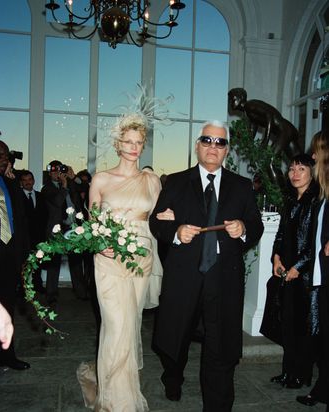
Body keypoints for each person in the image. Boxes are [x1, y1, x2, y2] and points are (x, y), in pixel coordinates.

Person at [149, 120, 264, 411]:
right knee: (175, 340)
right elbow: (156, 222)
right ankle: (172, 378)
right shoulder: (175, 182)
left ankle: (218, 405)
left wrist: (243, 228)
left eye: (220, 142)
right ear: (198, 145)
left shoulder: (241, 186)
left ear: (227, 150)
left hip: (223, 279)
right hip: (184, 277)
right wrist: (175, 231)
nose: (213, 147)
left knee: (220, 347)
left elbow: (256, 224)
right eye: (207, 140)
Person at [77, 113, 163, 411]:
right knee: (116, 325)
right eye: (127, 142)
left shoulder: (151, 180)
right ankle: (117, 401)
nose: (133, 147)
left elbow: (160, 218)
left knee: (131, 326)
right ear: (117, 144)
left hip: (140, 258)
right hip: (109, 259)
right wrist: (101, 246)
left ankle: (118, 390)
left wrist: (170, 219)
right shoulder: (101, 179)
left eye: (138, 142)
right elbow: (91, 224)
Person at [263, 154, 319, 388]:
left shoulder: (317, 201)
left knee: (302, 328)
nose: (295, 174)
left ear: (312, 173)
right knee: (286, 324)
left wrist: (299, 267)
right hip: (286, 271)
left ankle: (301, 374)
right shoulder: (290, 199)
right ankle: (288, 371)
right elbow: (281, 234)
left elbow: (314, 242)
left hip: (304, 276)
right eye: (292, 169)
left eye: (301, 169)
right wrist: (276, 257)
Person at [296, 131, 329, 408]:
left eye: (316, 152)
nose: (313, 156)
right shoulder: (322, 193)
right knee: (322, 339)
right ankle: (322, 389)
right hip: (320, 274)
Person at [0, 140, 30, 370]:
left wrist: (13, 183)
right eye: (0, 155)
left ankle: (7, 356)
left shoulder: (8, 183)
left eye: (6, 156)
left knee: (7, 307)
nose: (4, 159)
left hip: (9, 254)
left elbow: (21, 216)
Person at [41, 160, 88, 304]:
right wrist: (64, 186)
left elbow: (85, 187)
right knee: (54, 262)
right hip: (57, 229)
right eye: (54, 172)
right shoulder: (47, 188)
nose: (57, 174)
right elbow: (57, 202)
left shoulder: (71, 183)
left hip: (74, 228)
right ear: (49, 174)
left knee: (76, 261)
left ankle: (80, 292)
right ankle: (51, 294)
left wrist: (73, 177)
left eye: (59, 171)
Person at [20, 170, 48, 293]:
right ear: (21, 182)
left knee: (38, 262)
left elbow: (45, 215)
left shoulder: (40, 196)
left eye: (30, 179)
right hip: (23, 237)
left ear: (34, 181)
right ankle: (22, 288)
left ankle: (38, 285)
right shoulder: (17, 197)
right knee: (23, 264)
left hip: (39, 236)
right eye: (25, 180)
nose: (28, 182)